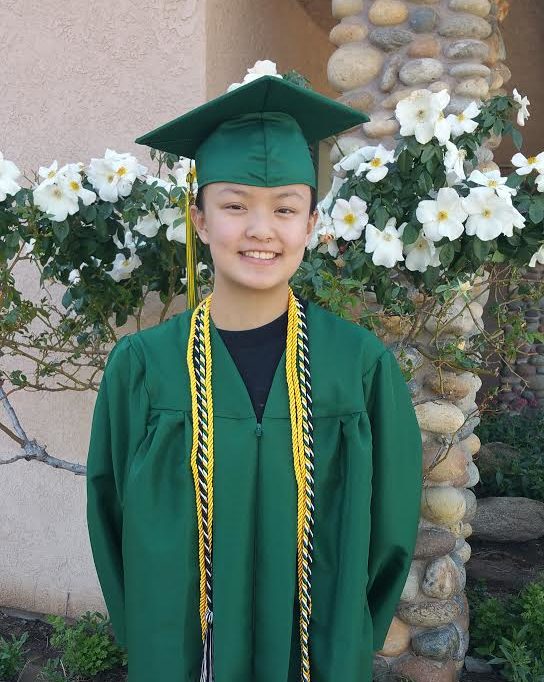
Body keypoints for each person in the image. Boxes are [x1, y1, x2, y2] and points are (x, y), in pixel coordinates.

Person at [86, 71, 423, 682]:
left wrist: (348, 632)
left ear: (312, 225)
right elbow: (109, 517)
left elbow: (391, 523)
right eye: (234, 205)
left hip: (316, 654)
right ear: (200, 219)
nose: (261, 229)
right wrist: (150, 634)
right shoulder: (142, 368)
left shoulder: (360, 367)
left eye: (285, 209)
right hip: (183, 656)